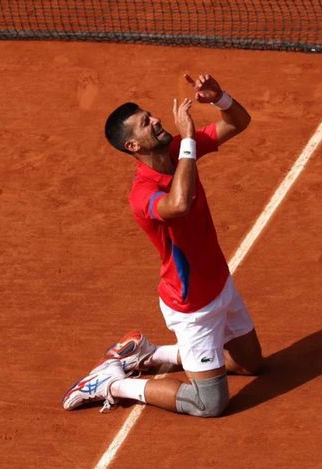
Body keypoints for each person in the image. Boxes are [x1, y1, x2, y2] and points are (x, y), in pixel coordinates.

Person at [63, 74, 262, 417]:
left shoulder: (176, 153)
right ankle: (112, 383)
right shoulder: (143, 194)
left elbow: (238, 123)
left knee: (250, 365)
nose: (156, 120)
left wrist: (219, 99)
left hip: (220, 285)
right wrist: (187, 139)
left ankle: (149, 355)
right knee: (210, 404)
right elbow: (179, 203)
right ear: (133, 147)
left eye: (150, 115)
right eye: (145, 123)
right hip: (191, 306)